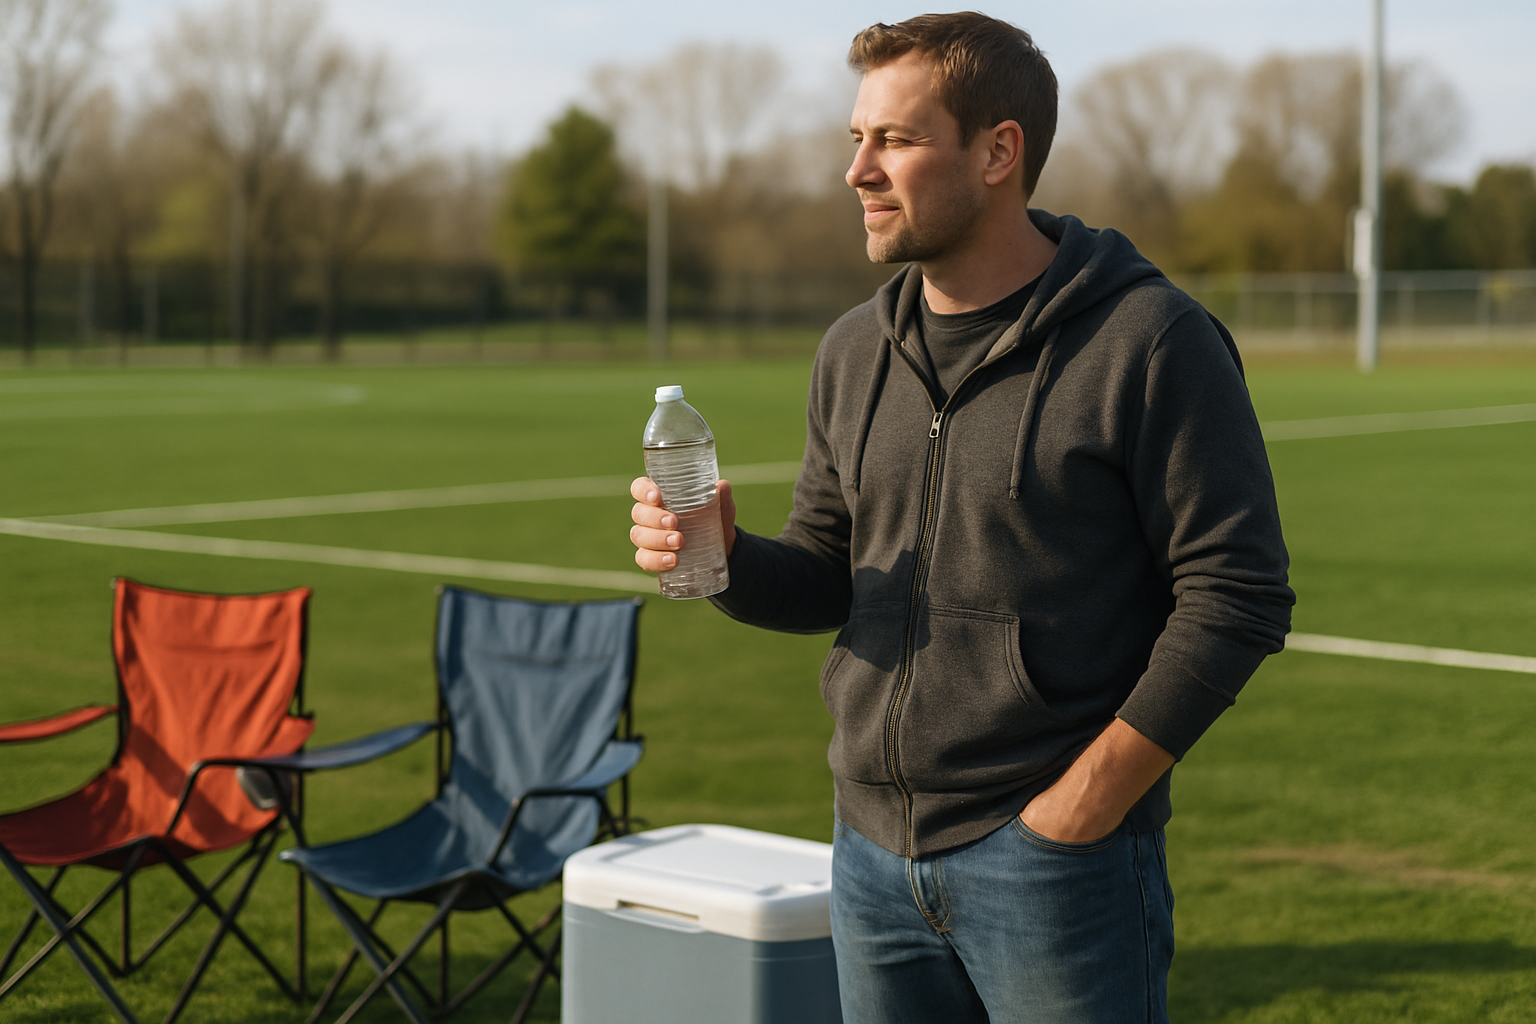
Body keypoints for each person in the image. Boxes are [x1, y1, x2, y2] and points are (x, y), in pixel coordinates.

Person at [629, 12, 1294, 1024]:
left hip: (1053, 868)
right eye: (854, 139)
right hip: (868, 856)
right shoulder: (854, 350)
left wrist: (1081, 808)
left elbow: (1237, 596)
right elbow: (825, 569)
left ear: (998, 152)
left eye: (894, 139)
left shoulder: (1149, 339)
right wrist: (721, 557)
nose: (858, 170)